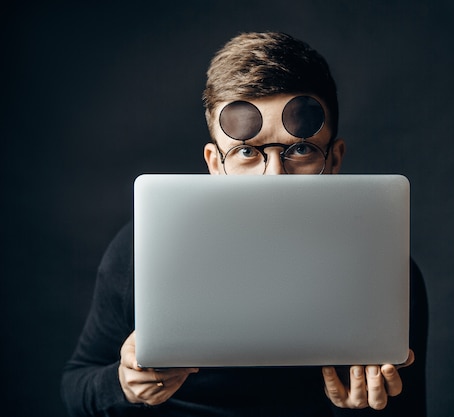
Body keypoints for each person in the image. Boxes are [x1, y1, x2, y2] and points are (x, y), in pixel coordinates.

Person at [61, 31, 428, 417]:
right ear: (215, 163)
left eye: (301, 148)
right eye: (247, 151)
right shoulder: (143, 249)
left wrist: (368, 410)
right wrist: (122, 385)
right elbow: (75, 386)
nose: (274, 177)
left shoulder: (387, 277)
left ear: (334, 159)